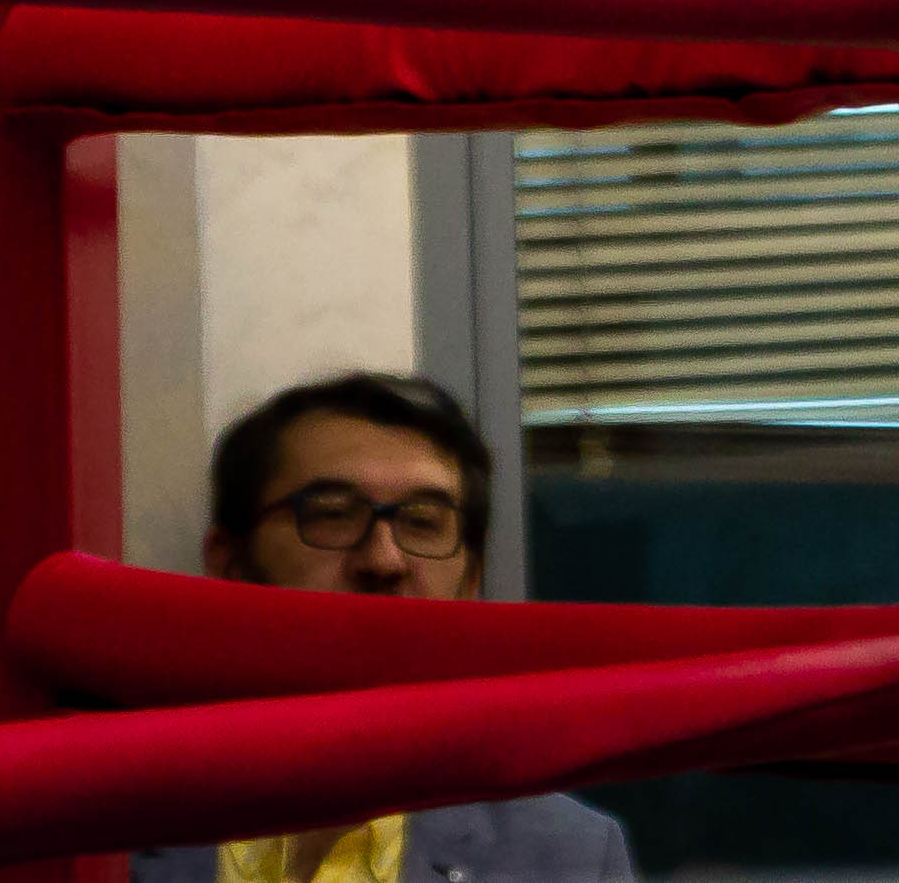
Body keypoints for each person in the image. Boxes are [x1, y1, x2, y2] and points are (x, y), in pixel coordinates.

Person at [139, 374, 632, 883]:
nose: (384, 559)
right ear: (230, 565)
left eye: (423, 521)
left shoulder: (569, 856)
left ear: (471, 583)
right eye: (331, 514)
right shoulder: (105, 817)